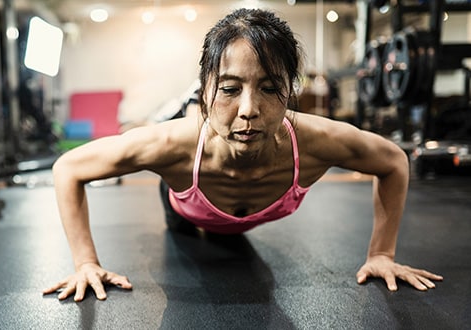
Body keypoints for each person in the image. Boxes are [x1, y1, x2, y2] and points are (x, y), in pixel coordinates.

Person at [43, 8, 443, 302]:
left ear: (290, 91)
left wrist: (382, 254)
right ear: (206, 91)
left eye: (270, 88)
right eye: (230, 89)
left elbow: (393, 161)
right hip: (187, 206)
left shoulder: (316, 140)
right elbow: (69, 168)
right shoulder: (171, 145)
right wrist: (85, 263)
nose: (249, 109)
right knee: (183, 228)